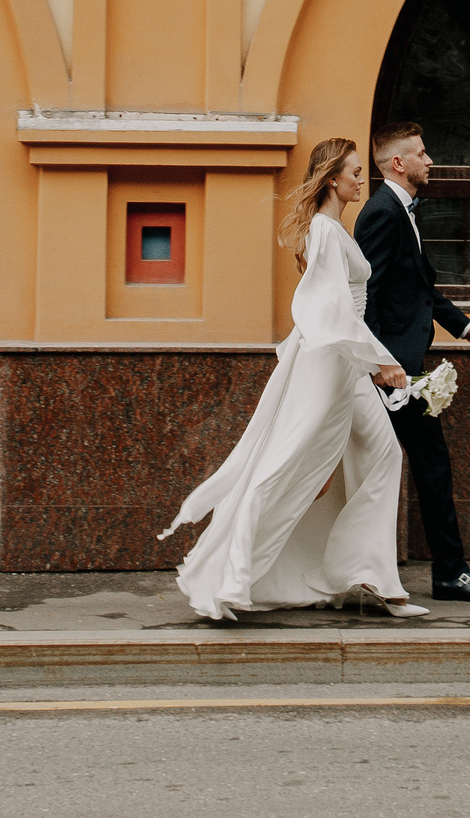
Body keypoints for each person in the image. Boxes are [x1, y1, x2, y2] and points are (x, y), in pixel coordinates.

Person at [159, 137, 427, 622]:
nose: (360, 179)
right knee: (285, 463)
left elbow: (344, 308)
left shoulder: (334, 230)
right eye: (352, 172)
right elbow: (329, 309)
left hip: (346, 361)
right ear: (331, 179)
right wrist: (381, 360)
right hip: (329, 363)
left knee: (384, 454)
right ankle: (231, 576)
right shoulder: (325, 231)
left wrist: (371, 360)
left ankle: (367, 576)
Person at [356, 122, 470, 603]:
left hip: (399, 364)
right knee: (430, 464)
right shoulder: (382, 213)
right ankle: (450, 573)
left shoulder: (400, 210)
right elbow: (366, 296)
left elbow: (420, 289)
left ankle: (447, 572)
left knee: (422, 465)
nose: (430, 161)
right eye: (421, 154)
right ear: (398, 163)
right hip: (393, 371)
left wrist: (466, 327)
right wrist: (382, 364)